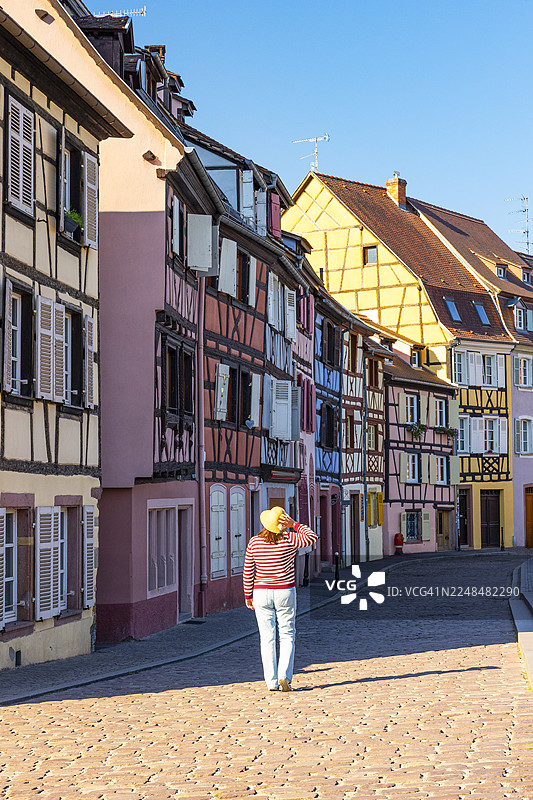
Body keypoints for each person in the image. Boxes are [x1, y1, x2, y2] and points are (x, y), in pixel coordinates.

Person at [243, 507, 318, 692]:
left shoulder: (254, 542)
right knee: (287, 634)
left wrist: (248, 595)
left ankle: (271, 681)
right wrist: (294, 524)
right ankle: (285, 674)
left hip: (261, 592)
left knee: (267, 637)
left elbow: (248, 572)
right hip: (284, 590)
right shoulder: (289, 539)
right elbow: (312, 537)